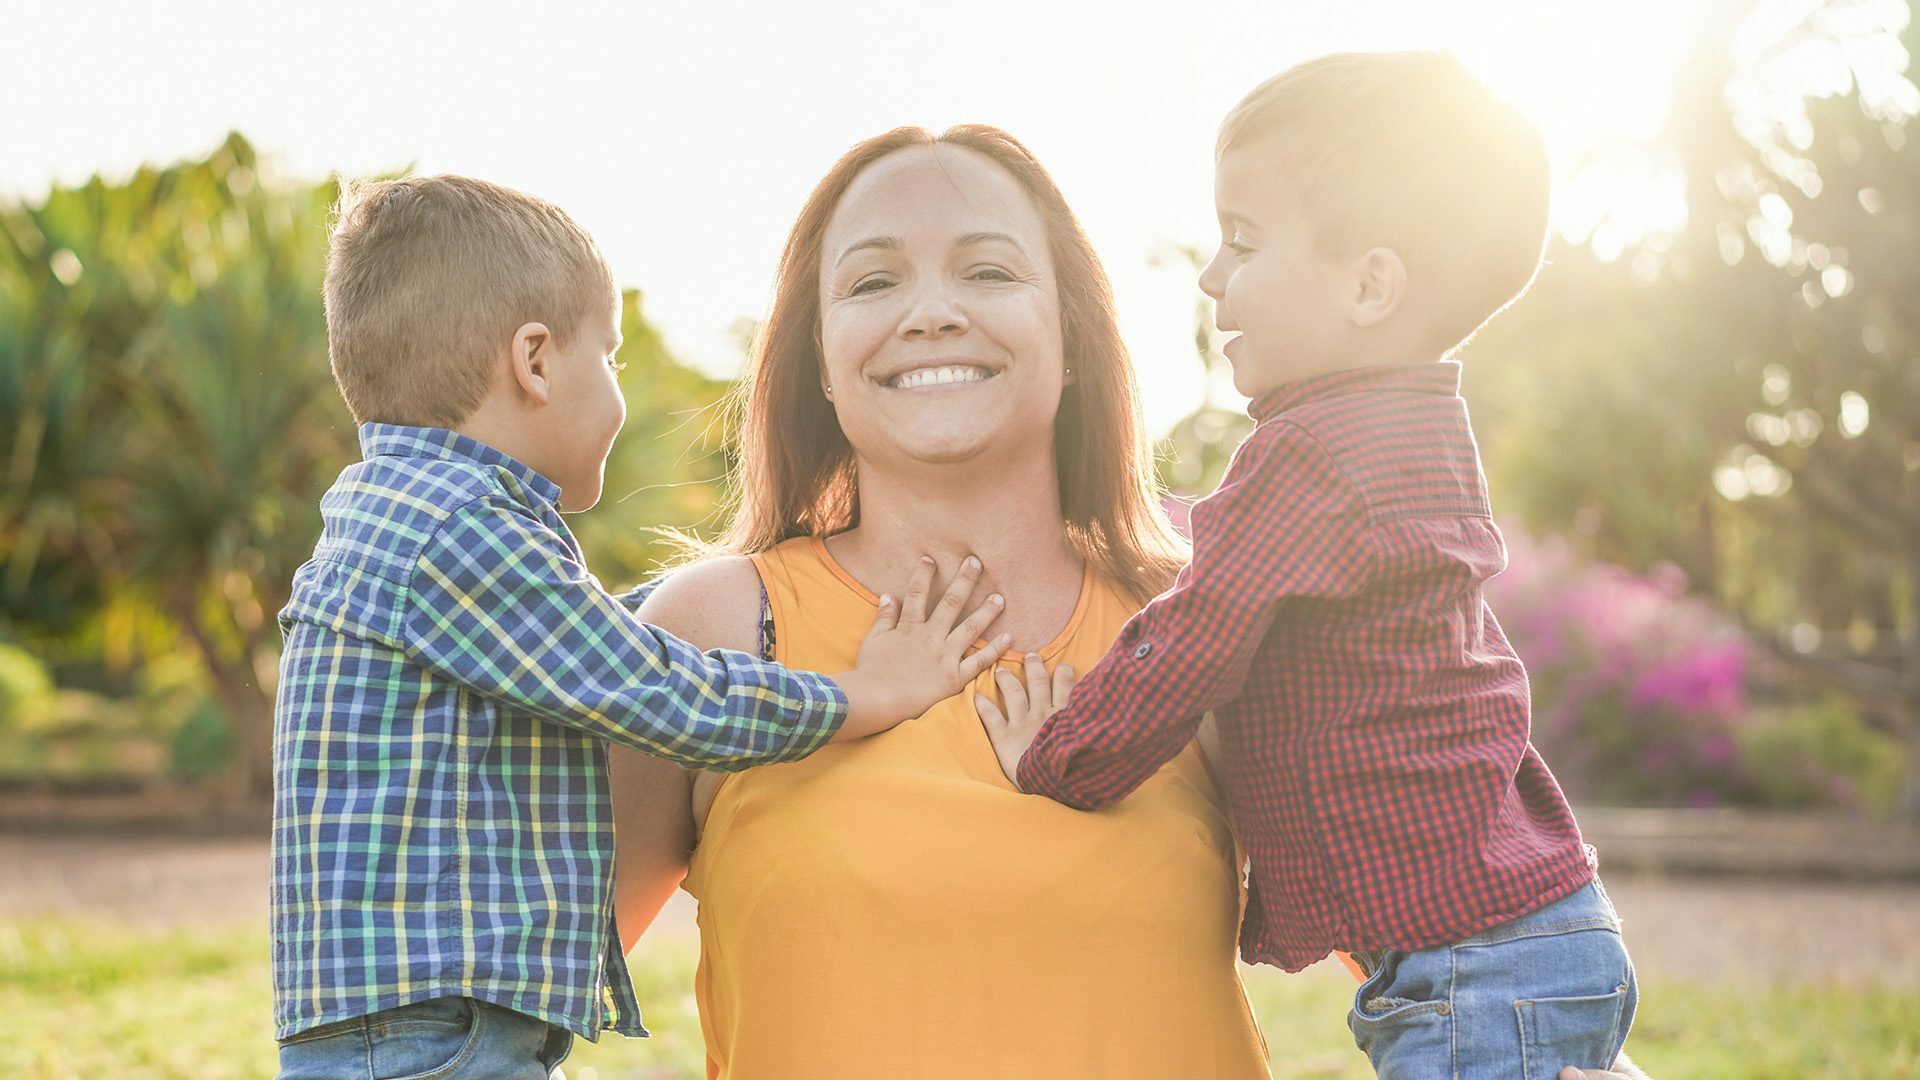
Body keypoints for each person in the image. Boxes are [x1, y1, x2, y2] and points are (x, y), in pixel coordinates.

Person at [987, 52, 1639, 1080]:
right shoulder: (1420, 431)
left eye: (1241, 243)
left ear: (1372, 284)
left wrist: (1059, 757)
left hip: (1474, 969)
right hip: (1538, 936)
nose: (1210, 276)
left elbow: (1192, 639)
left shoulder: (1308, 454)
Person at [270, 174, 1007, 1079]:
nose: (617, 389)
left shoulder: (398, 511)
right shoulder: (461, 528)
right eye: (610, 358)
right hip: (434, 1040)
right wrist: (869, 688)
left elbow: (575, 646)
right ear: (535, 362)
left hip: (405, 1034)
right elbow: (659, 693)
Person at [608, 125, 1273, 1079]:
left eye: (990, 272)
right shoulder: (714, 629)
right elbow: (519, 993)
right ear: (823, 362)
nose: (930, 313)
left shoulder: (1204, 616)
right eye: (873, 283)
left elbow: (1436, 941)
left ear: (1075, 337)